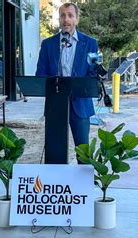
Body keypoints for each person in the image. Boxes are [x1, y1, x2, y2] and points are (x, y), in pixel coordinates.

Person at [35, 2, 98, 149]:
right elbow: (40, 74)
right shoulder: (47, 44)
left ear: (77, 19)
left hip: (80, 105)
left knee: (83, 151)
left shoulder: (90, 43)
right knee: (54, 151)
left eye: (70, 15)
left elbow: (93, 72)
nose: (66, 20)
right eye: (62, 15)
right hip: (55, 104)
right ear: (59, 19)